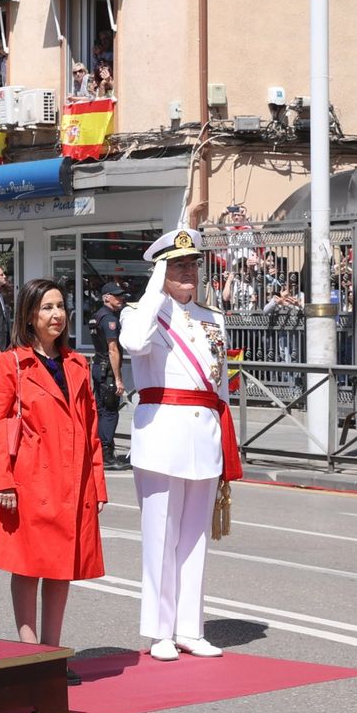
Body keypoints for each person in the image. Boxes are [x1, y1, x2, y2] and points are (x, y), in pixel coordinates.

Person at [119, 228, 241, 662]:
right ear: (160, 271)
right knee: (161, 537)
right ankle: (159, 631)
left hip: (203, 436)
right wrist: (154, 288)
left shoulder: (213, 318)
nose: (189, 272)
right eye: (177, 266)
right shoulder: (142, 313)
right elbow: (133, 344)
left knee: (194, 538)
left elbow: (219, 385)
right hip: (162, 437)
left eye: (192, 264)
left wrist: (226, 442)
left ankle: (190, 628)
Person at [0, 279, 107, 684]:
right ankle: (28, 651)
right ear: (29, 317)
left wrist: (98, 484)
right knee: (28, 567)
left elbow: (91, 431)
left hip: (72, 481)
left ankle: (53, 654)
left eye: (60, 307)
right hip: (29, 482)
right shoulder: (12, 363)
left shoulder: (78, 364)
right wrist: (3, 483)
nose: (56, 315)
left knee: (60, 569)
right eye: (47, 308)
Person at [90, 281, 131, 469]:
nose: (121, 298)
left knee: (101, 410)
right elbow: (113, 350)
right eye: (117, 295)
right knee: (109, 412)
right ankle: (106, 455)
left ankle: (99, 451)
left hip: (99, 366)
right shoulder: (109, 319)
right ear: (107, 298)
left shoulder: (97, 316)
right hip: (107, 369)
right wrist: (118, 378)